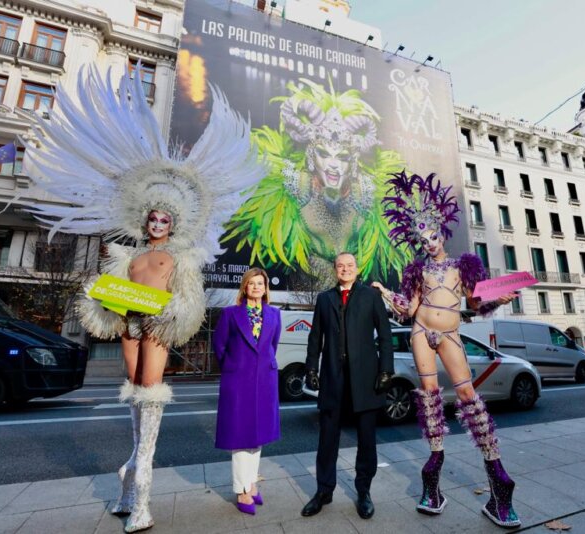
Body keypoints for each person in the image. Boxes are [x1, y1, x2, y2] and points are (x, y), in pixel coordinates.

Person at [18, 65, 264, 532]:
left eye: (164, 221)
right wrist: (101, 300)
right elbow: (102, 303)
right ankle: (128, 480)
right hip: (130, 325)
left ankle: (142, 497)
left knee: (151, 399)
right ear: (144, 220)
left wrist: (164, 313)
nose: (157, 225)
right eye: (153, 219)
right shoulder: (126, 256)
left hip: (156, 328)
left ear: (174, 224)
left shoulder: (181, 258)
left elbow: (187, 305)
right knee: (135, 396)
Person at [371, 171, 521, 528]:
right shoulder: (417, 271)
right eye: (423, 240)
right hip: (421, 332)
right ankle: (434, 476)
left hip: (450, 333)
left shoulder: (462, 266)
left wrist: (498, 299)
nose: (429, 243)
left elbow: (475, 302)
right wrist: (386, 293)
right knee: (429, 395)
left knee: (468, 395)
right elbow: (410, 308)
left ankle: (497, 477)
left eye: (433, 236)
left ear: (442, 234)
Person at [227, 78, 412, 280]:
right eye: (324, 154)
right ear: (311, 156)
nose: (333, 165)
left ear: (353, 162)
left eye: (342, 157)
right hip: (306, 286)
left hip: (354, 286)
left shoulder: (365, 192)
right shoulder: (295, 185)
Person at [301, 252, 394, 520]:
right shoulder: (324, 299)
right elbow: (315, 337)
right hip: (333, 377)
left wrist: (386, 369)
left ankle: (364, 492)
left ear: (357, 268)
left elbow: (385, 335)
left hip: (365, 378)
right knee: (327, 438)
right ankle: (323, 491)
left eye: (350, 265)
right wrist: (311, 368)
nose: (345, 269)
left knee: (366, 439)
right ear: (335, 269)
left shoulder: (371, 296)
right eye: (340, 266)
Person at [213, 268, 281, 515]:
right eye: (251, 283)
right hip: (238, 381)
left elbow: (272, 345)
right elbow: (219, 345)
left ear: (265, 288)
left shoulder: (274, 314)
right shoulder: (230, 314)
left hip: (265, 380)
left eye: (260, 283)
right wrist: (235, 367)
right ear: (244, 287)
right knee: (240, 436)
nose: (256, 287)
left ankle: (251, 485)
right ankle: (242, 490)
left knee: (258, 435)